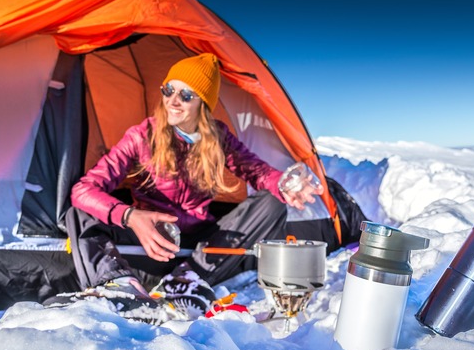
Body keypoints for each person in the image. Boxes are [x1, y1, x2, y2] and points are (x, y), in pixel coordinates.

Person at [60, 53, 321, 320]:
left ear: (202, 103)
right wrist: (130, 216)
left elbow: (257, 172)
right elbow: (84, 189)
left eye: (186, 95)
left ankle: (185, 279)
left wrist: (284, 184)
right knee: (79, 212)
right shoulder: (142, 135)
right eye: (169, 90)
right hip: (150, 240)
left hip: (200, 248)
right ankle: (121, 285)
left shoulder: (218, 138)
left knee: (272, 202)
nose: (173, 100)